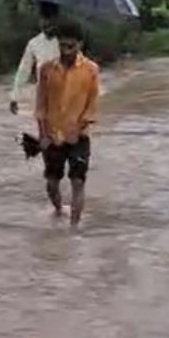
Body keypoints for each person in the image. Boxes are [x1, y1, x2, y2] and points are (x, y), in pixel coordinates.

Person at [35, 20, 99, 226]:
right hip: (53, 134)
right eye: (62, 45)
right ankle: (58, 209)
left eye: (70, 46)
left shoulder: (91, 70)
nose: (66, 50)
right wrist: (43, 135)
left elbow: (91, 107)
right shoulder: (47, 70)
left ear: (80, 44)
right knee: (52, 183)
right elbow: (40, 105)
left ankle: (74, 228)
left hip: (79, 136)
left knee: (78, 182)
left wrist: (78, 130)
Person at [10, 1, 60, 116]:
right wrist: (15, 96)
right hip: (43, 93)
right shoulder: (34, 43)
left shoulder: (65, 41)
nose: (46, 24)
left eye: (50, 20)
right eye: (43, 20)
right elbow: (24, 69)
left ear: (56, 20)